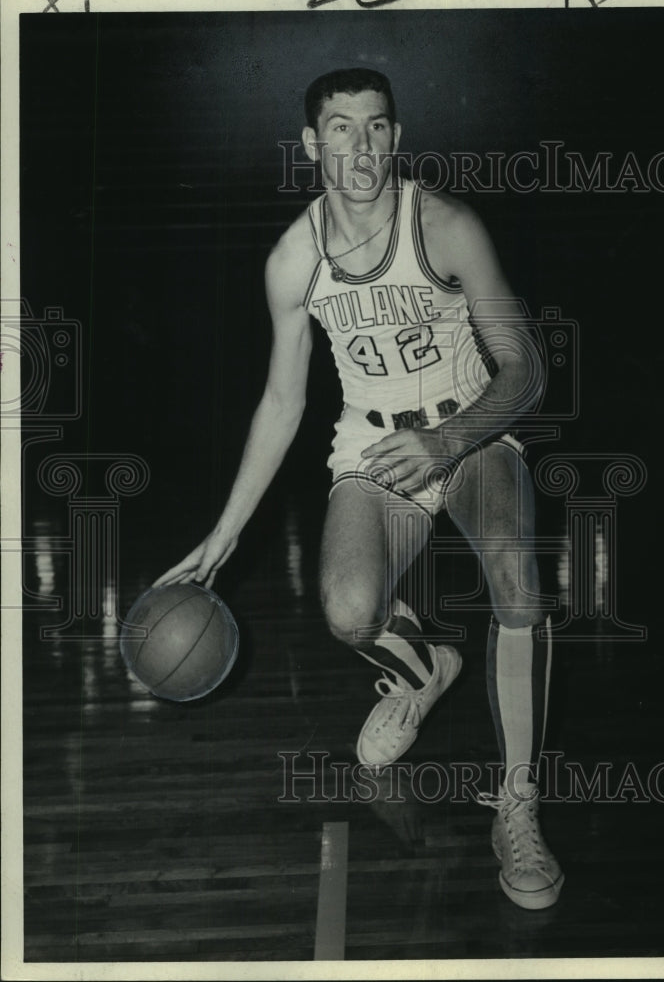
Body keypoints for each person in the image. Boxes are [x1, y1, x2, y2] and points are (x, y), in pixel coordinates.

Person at [154, 68, 563, 910]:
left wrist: (448, 438)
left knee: (521, 586)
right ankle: (425, 670)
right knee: (347, 610)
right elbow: (282, 400)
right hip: (373, 444)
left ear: (397, 137)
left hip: (472, 428)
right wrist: (222, 537)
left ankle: (519, 806)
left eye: (376, 126)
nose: (361, 146)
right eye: (340, 129)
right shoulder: (293, 260)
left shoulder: (447, 226)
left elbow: (526, 370)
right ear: (312, 145)